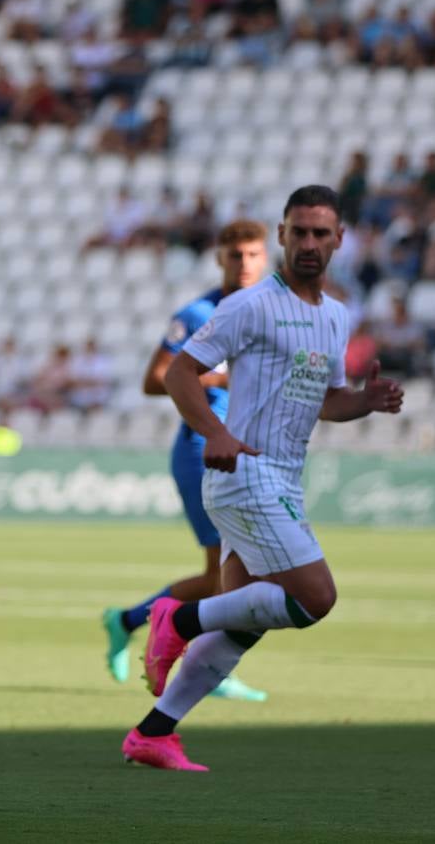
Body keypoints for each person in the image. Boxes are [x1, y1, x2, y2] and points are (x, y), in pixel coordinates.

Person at [121, 186, 403, 771]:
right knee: (314, 598)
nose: (308, 243)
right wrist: (215, 432)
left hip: (282, 478)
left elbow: (324, 402)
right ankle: (179, 617)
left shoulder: (335, 316)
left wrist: (364, 401)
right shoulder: (250, 305)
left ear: (339, 241)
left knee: (246, 622)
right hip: (244, 470)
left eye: (320, 234)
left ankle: (155, 732)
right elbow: (178, 374)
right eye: (298, 232)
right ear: (281, 235)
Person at [101, 220, 270, 701]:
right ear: (219, 257)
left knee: (225, 574)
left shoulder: (272, 314)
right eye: (235, 255)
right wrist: (217, 379)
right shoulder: (198, 313)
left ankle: (130, 620)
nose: (243, 264)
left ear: (265, 259)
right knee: (232, 572)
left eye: (253, 255)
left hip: (245, 451)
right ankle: (208, 666)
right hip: (202, 449)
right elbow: (155, 379)